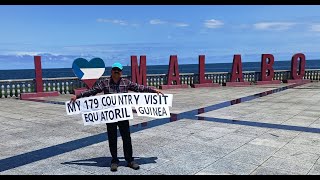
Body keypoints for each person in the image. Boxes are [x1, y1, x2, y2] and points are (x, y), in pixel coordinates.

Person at [70, 62, 163, 172]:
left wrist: (153, 90)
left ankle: (130, 160)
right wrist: (78, 96)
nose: (116, 72)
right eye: (114, 70)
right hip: (110, 116)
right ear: (111, 71)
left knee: (126, 138)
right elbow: (92, 91)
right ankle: (114, 160)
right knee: (112, 138)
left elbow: (139, 88)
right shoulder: (104, 83)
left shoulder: (126, 82)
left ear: (121, 72)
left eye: (118, 70)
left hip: (123, 115)